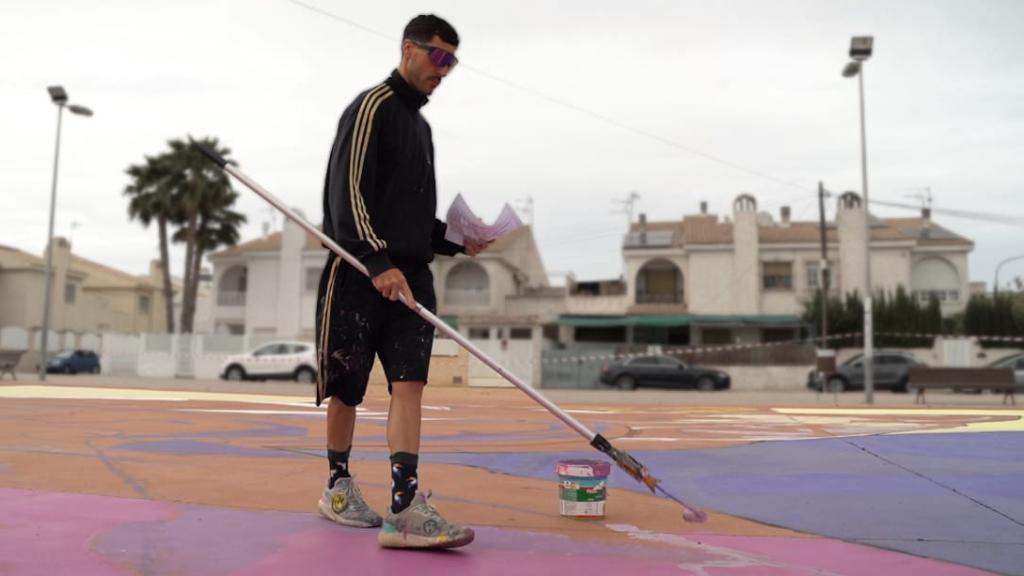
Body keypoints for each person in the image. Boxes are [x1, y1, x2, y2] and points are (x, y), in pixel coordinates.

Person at [314, 14, 487, 549]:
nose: (445, 71)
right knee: (347, 387)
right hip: (358, 273)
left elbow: (411, 216)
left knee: (409, 385)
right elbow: (348, 195)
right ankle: (337, 487)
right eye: (439, 57)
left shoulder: (423, 128)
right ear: (409, 49)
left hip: (410, 279)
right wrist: (376, 260)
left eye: (452, 62)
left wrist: (458, 241)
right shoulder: (372, 108)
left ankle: (404, 507)